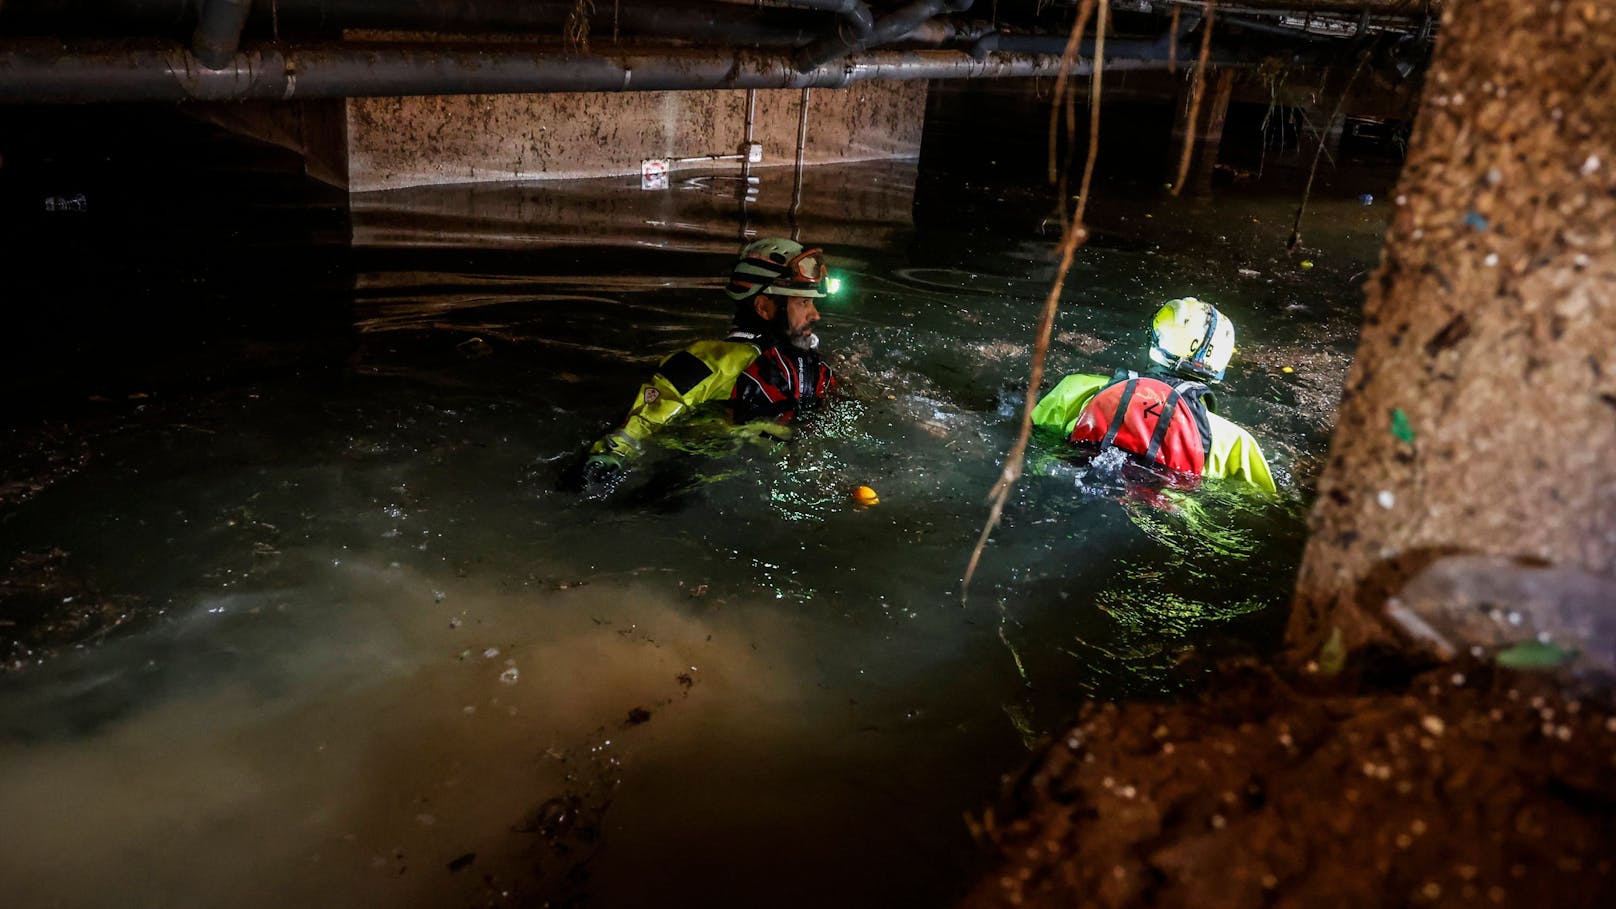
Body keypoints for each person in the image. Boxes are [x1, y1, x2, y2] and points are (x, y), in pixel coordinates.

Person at [574, 237, 838, 491]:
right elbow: (646, 418)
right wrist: (609, 459)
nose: (815, 314)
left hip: (746, 477)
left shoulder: (805, 366)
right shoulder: (711, 360)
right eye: (803, 302)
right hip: (694, 475)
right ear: (764, 307)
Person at [1031, 297, 1276, 493]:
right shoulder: (1235, 444)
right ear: (1219, 366)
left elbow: (1033, 436)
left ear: (1154, 342)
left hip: (1066, 486)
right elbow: (1263, 502)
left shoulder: (1075, 388)